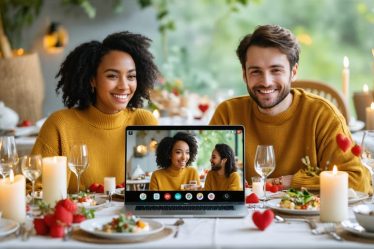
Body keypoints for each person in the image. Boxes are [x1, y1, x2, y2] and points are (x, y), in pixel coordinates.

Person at [209, 24, 371, 194]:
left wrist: (290, 181)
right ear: (244, 74)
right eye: (256, 71)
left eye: (276, 70)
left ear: (293, 72)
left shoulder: (323, 115)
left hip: (308, 217)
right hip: (244, 217)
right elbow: (205, 178)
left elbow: (358, 182)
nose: (266, 81)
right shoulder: (227, 113)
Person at [32, 31, 159, 193]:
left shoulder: (144, 122)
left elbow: (159, 185)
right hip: (80, 217)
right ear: (92, 80)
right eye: (112, 76)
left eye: (131, 76)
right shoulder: (60, 124)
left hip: (129, 218)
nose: (124, 86)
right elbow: (35, 189)